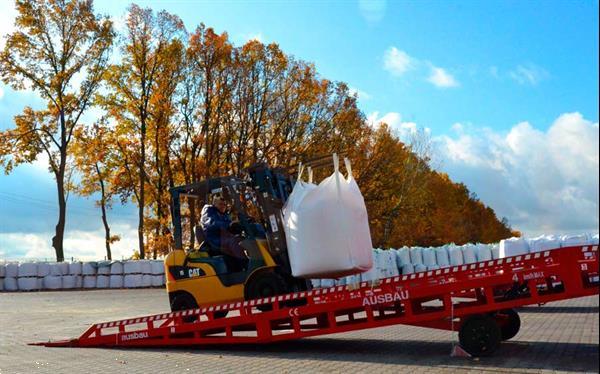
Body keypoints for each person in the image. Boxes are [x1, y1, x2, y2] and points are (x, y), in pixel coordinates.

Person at [200, 196, 249, 272]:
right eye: (220, 204)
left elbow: (230, 225)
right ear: (214, 204)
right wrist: (228, 225)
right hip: (214, 239)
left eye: (224, 204)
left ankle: (241, 266)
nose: (223, 206)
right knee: (234, 242)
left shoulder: (223, 214)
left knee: (242, 239)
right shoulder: (208, 211)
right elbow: (212, 222)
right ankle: (246, 265)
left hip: (223, 238)